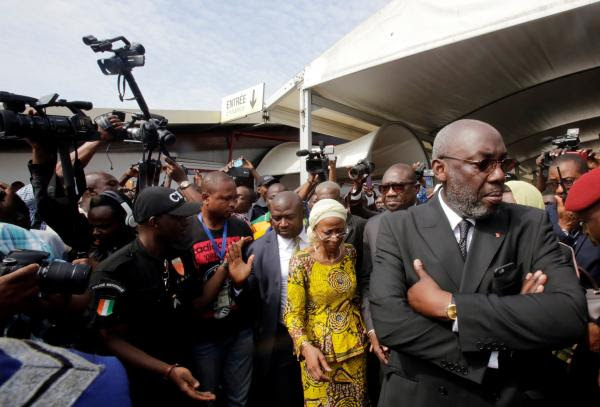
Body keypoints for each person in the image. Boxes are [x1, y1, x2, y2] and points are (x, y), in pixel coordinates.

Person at [370, 119, 587, 406]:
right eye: (483, 164)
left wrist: (451, 306)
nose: (499, 175)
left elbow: (569, 315)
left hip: (504, 396)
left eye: (503, 163)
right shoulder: (398, 228)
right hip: (421, 395)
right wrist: (494, 354)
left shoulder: (529, 224)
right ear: (440, 169)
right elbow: (391, 323)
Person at [89, 186, 215, 405]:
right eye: (178, 217)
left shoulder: (180, 255)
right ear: (155, 222)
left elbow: (195, 302)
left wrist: (226, 269)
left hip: (184, 366)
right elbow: (110, 337)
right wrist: (167, 370)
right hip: (142, 379)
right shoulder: (114, 272)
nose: (186, 222)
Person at [180, 171, 255, 407]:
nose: (233, 204)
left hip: (239, 329)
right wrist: (224, 266)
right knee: (206, 397)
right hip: (203, 333)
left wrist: (241, 282)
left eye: (235, 197)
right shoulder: (185, 231)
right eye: (226, 198)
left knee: (238, 399)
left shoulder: (240, 227)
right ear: (205, 198)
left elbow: (248, 274)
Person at [284, 198, 369, 406]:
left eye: (340, 231)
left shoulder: (350, 253)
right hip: (318, 352)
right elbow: (293, 314)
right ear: (314, 230)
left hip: (353, 347)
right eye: (328, 232)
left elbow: (355, 297)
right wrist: (305, 347)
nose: (335, 237)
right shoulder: (301, 262)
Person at [359, 163, 419, 403]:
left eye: (398, 187)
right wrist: (372, 329)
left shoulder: (433, 221)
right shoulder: (372, 226)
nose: (390, 193)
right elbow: (367, 281)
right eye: (385, 188)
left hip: (427, 328)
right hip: (386, 333)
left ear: (416, 188)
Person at [248, 191, 307, 407]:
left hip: (319, 332)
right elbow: (251, 299)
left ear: (302, 213)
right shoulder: (258, 249)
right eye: (276, 218)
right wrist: (239, 283)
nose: (282, 224)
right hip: (281, 335)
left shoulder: (320, 239)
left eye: (289, 217)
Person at [547, 154, 600, 285]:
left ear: (586, 176)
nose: (559, 190)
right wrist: (563, 228)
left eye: (568, 181)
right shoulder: (547, 216)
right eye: (553, 184)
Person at [314, 181, 366, 273]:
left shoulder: (359, 224)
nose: (328, 206)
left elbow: (364, 268)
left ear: (341, 200)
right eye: (323, 202)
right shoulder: (312, 224)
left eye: (332, 201)